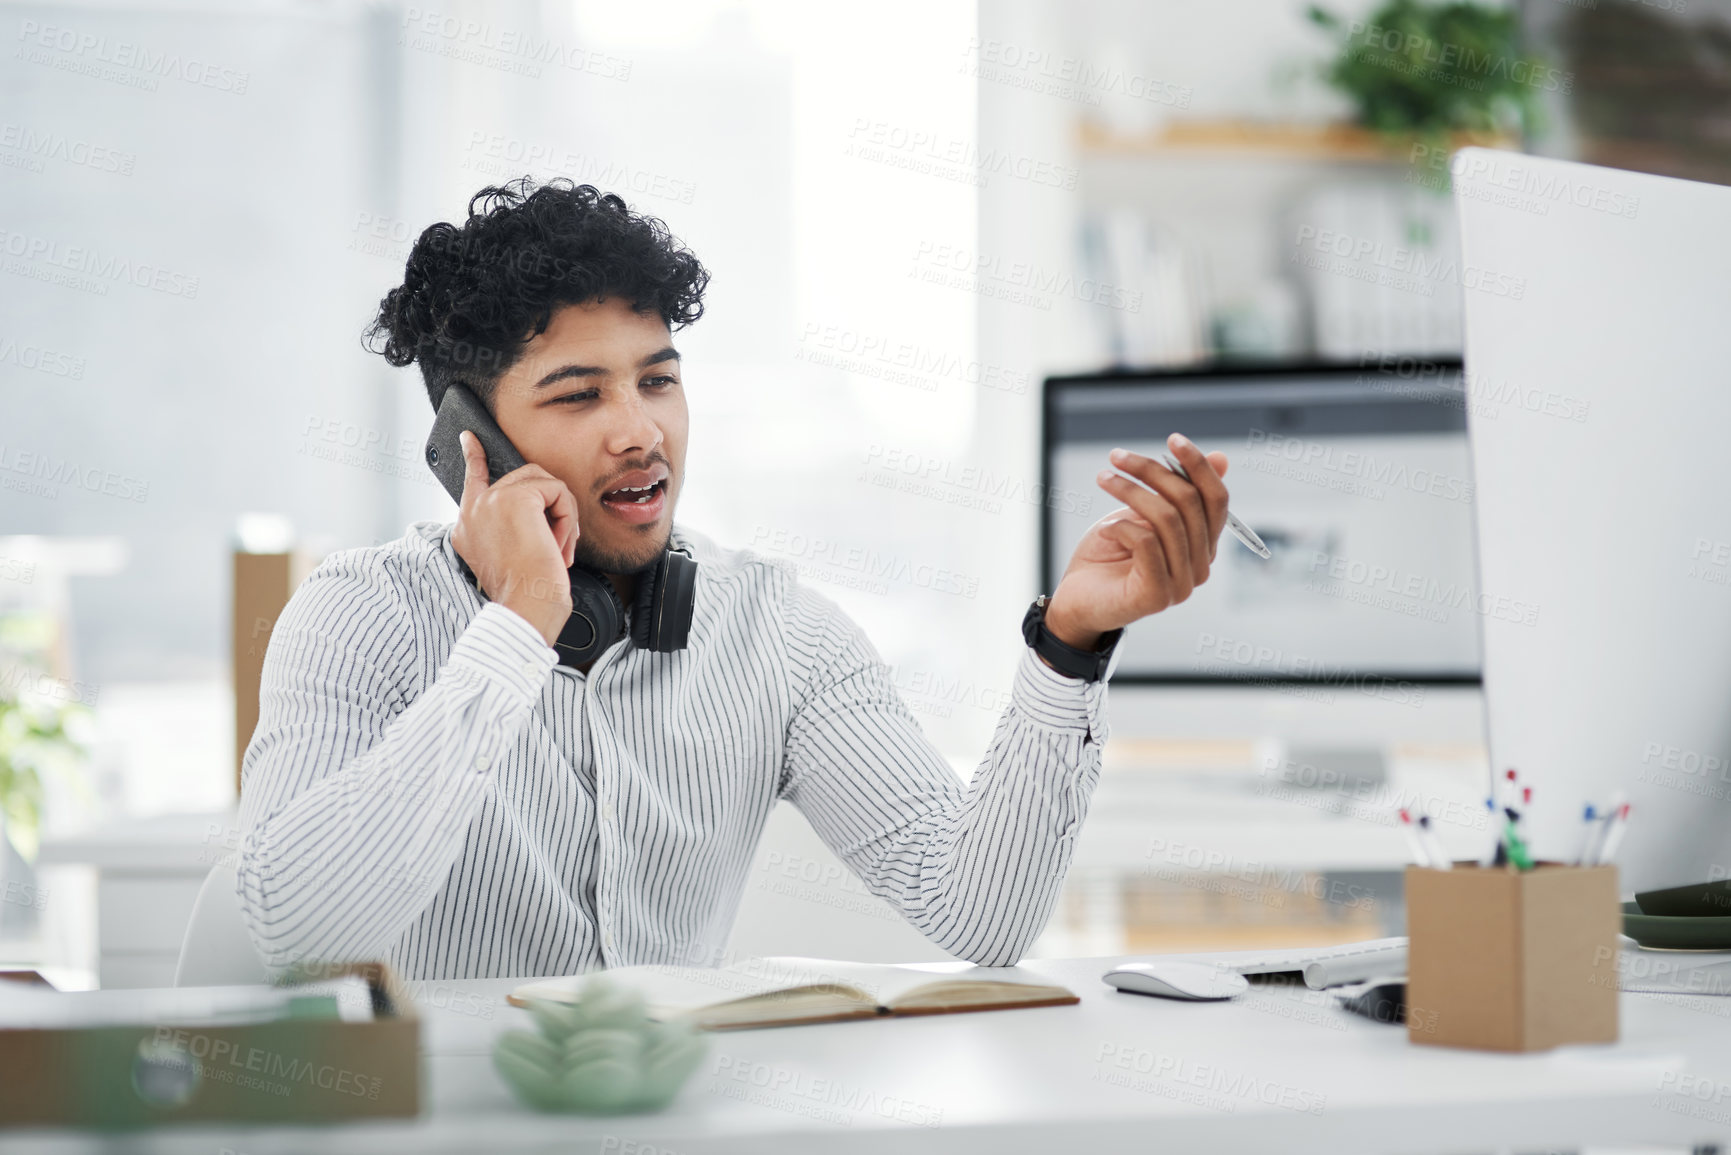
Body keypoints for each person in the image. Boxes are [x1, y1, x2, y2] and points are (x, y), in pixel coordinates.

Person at [234, 178, 1231, 980]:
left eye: (658, 381)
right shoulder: (359, 615)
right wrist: (512, 634)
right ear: (469, 444)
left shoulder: (777, 631)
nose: (641, 430)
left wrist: (1069, 645)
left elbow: (981, 913)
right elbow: (298, 933)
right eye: (581, 394)